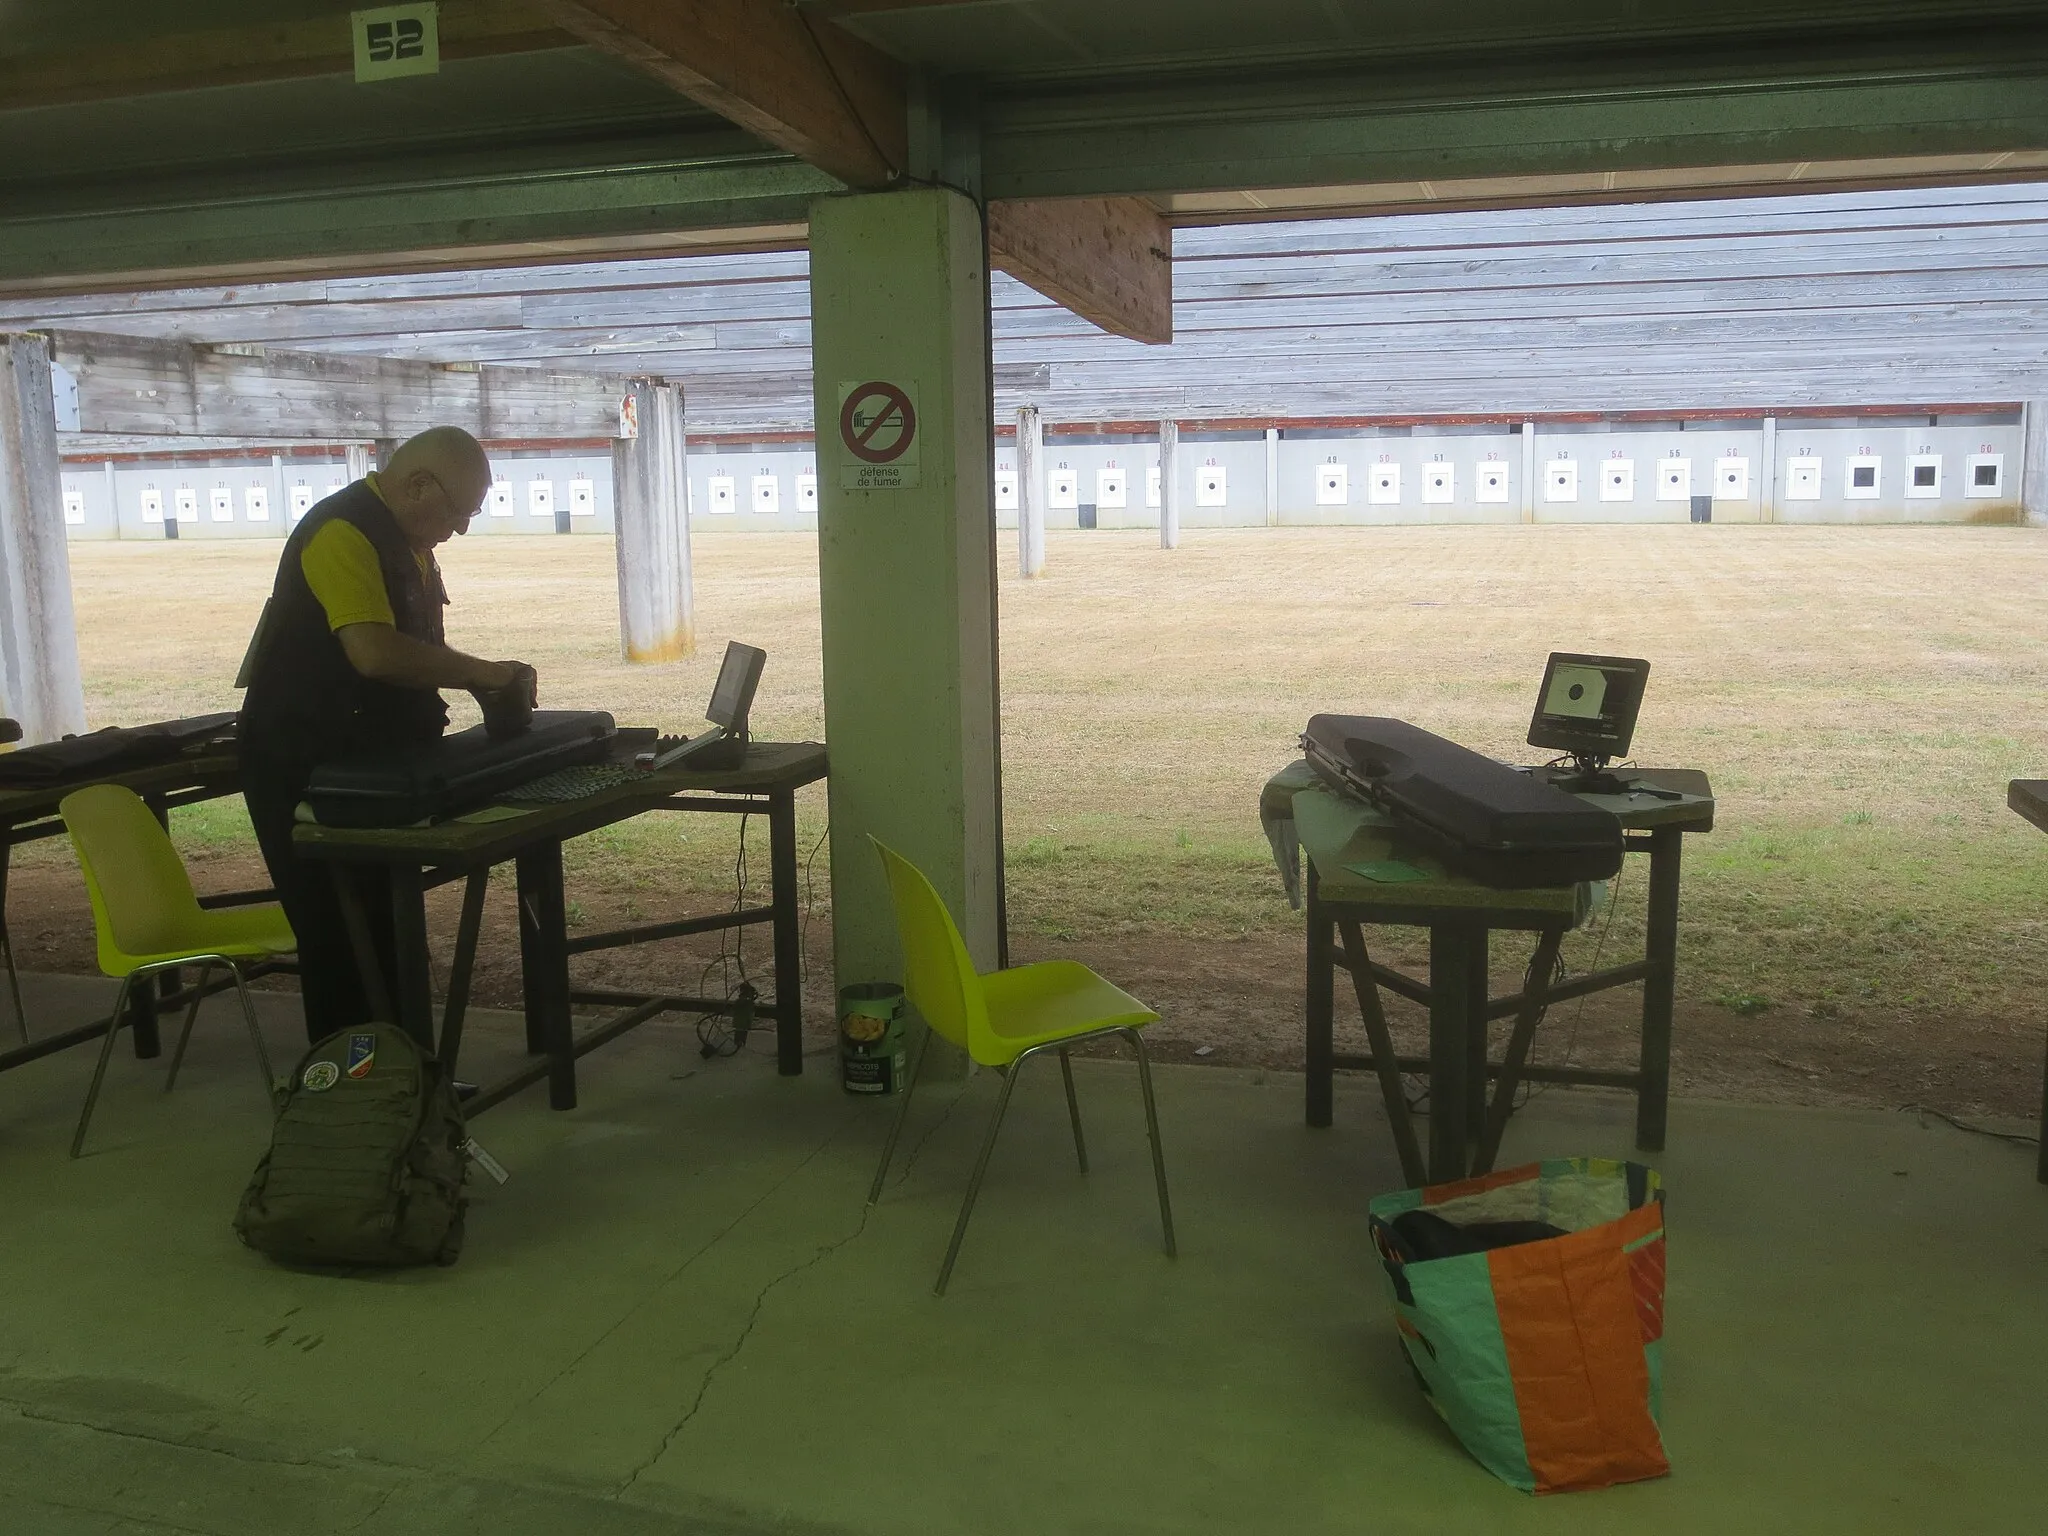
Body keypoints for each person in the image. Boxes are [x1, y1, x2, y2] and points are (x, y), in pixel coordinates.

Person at [239, 427, 534, 1047]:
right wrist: (483, 674)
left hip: (368, 767)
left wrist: (474, 681)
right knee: (341, 943)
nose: (461, 528)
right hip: (307, 763)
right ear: (417, 484)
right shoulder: (343, 533)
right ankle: (353, 1103)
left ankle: (405, 1085)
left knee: (386, 933)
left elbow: (415, 650)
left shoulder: (406, 541)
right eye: (458, 511)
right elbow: (373, 653)